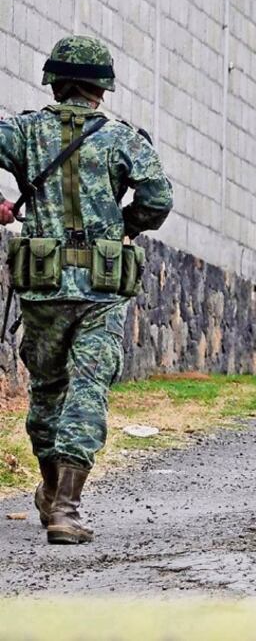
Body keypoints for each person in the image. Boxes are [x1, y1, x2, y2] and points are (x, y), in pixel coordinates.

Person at [0, 36, 173, 544]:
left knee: (48, 390)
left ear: (54, 81)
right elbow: (158, 198)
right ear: (102, 87)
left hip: (44, 284)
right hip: (101, 287)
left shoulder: (25, 131)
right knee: (88, 387)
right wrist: (127, 224)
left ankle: (53, 492)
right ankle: (65, 509)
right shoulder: (122, 138)